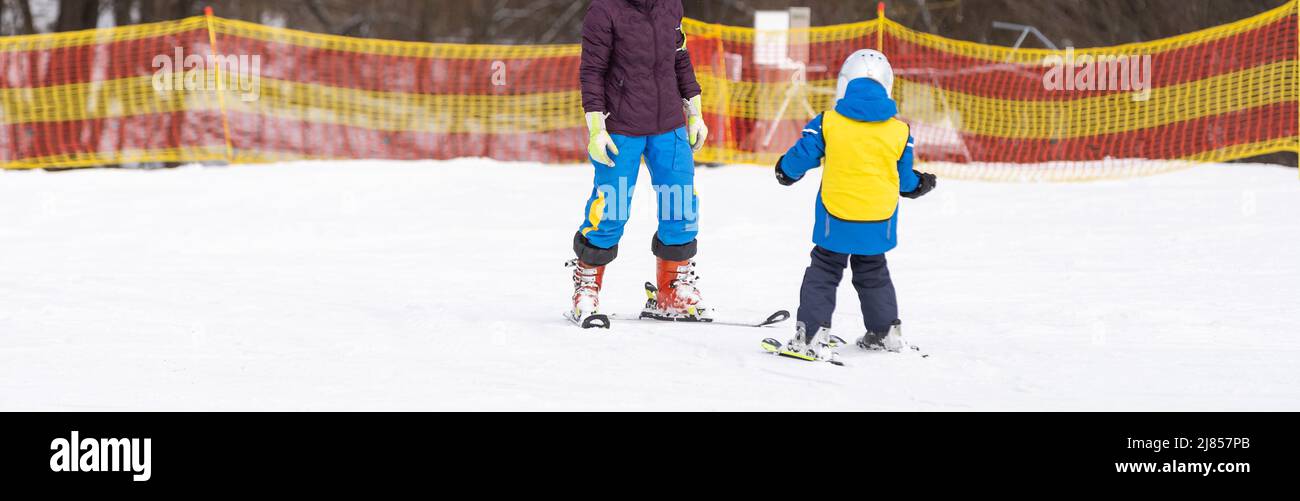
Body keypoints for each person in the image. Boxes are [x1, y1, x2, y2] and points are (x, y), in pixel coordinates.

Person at [772, 49, 937, 362]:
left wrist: (786, 170)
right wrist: (921, 184)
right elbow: (904, 182)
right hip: (879, 218)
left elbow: (803, 154)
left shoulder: (829, 123)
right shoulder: (900, 132)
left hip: (837, 215)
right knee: (873, 270)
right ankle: (885, 332)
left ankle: (811, 334)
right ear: (888, 85)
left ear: (843, 83)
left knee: (824, 269)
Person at [567, 0, 710, 326]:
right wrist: (596, 128)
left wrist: (695, 111)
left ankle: (672, 290)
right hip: (620, 127)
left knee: (681, 205)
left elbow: (680, 57)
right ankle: (587, 286)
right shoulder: (604, 11)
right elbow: (592, 72)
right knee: (611, 209)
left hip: (669, 125)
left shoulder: (671, 5)